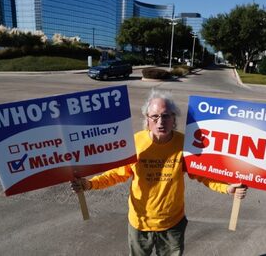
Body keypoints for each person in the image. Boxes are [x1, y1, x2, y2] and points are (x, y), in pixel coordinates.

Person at [71, 89, 247, 256]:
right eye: (154, 116)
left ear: (173, 119)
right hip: (139, 223)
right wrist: (89, 184)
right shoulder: (135, 143)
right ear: (147, 119)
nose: (160, 122)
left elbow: (203, 174)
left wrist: (227, 188)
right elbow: (117, 174)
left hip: (172, 224)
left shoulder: (184, 144)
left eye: (165, 116)